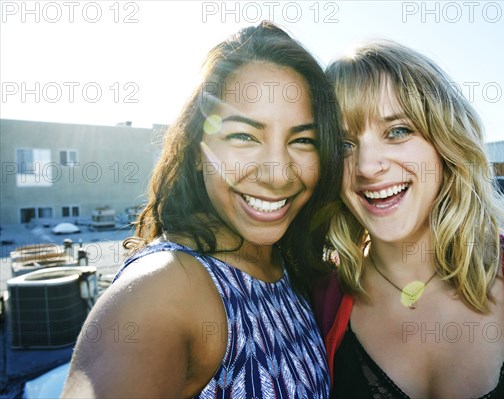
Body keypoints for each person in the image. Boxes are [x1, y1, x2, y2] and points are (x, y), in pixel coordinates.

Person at [62, 21, 343, 398]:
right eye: (244, 136)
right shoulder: (165, 288)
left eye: (303, 140)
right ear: (198, 151)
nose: (278, 175)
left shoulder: (289, 267)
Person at [312, 40, 504, 399]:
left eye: (397, 131)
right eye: (344, 145)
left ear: (445, 143)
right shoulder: (315, 302)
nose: (368, 166)